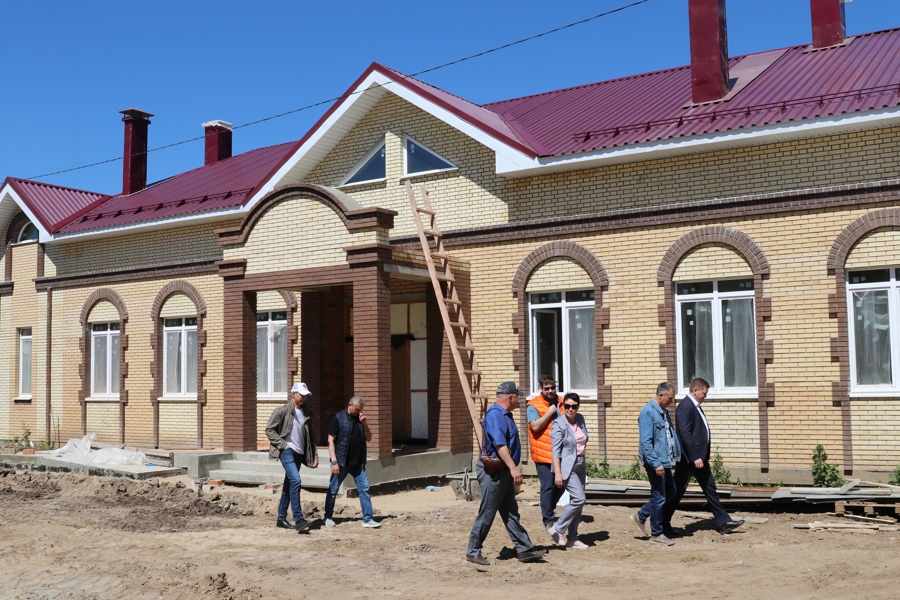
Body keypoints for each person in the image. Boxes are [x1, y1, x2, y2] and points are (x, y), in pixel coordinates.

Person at [466, 381, 547, 566]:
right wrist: (513, 468)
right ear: (510, 397)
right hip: (494, 473)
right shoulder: (496, 416)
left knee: (510, 512)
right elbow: (500, 445)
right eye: (517, 396)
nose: (519, 400)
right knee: (487, 512)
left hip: (503, 472)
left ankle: (524, 549)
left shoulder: (504, 415)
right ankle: (473, 551)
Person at [662, 378, 745, 535]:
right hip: (689, 460)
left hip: (700, 458)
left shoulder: (694, 406)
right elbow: (685, 435)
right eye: (704, 393)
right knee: (677, 491)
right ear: (695, 391)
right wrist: (695, 457)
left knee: (710, 488)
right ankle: (662, 523)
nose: (705, 396)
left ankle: (723, 522)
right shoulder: (685, 407)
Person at [630, 382, 681, 545]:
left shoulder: (663, 412)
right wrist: (656, 463)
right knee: (659, 497)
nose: (672, 402)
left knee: (671, 492)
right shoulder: (648, 413)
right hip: (655, 462)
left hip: (664, 459)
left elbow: (668, 435)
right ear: (661, 395)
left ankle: (642, 515)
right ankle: (657, 533)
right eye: (670, 398)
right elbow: (646, 442)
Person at [265, 381, 318, 533]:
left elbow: (311, 436)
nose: (304, 398)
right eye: (302, 395)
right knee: (296, 480)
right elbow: (269, 430)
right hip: (287, 451)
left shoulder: (307, 413)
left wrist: (314, 456)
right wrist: (283, 445)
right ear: (293, 393)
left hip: (299, 454)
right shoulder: (281, 411)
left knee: (289, 486)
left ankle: (281, 518)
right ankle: (299, 519)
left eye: (306, 396)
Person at [323, 396, 381, 528]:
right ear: (350, 405)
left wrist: (365, 424)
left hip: (358, 463)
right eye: (356, 409)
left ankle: (368, 519)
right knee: (333, 489)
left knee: (364, 488)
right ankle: (328, 517)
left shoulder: (360, 419)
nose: (358, 412)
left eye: (360, 409)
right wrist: (334, 462)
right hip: (342, 462)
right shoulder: (338, 418)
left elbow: (369, 438)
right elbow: (330, 441)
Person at [549, 392, 589, 549]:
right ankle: (558, 529)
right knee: (580, 499)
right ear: (563, 406)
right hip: (567, 467)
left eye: (573, 406)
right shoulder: (559, 424)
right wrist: (558, 473)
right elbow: (555, 451)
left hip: (580, 465)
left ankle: (573, 537)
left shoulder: (580, 419)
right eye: (567, 406)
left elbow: (582, 439)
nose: (570, 409)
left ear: (578, 407)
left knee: (576, 503)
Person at [526, 374, 564, 532]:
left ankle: (549, 507)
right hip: (543, 453)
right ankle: (548, 519)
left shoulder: (562, 402)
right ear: (540, 389)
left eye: (552, 388)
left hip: (560, 452)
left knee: (562, 485)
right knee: (548, 486)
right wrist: (549, 412)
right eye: (546, 388)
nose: (550, 391)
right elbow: (535, 427)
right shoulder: (533, 406)